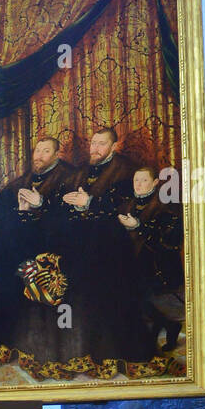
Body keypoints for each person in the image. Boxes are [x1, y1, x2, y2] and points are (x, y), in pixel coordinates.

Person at [56, 128, 153, 364]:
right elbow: (67, 193)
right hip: (82, 239)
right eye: (93, 143)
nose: (95, 149)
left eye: (101, 144)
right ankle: (79, 345)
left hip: (112, 241)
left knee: (107, 292)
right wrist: (72, 202)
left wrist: (88, 202)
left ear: (114, 147)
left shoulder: (127, 171)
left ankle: (108, 349)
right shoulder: (83, 170)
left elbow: (126, 204)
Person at [0, 134, 77, 361]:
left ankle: (42, 344)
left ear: (57, 154)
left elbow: (69, 222)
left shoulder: (69, 178)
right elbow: (1, 215)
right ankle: (9, 337)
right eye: (37, 151)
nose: (39, 156)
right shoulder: (24, 180)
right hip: (23, 247)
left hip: (56, 249)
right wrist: (21, 212)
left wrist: (41, 206)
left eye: (45, 151)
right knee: (4, 267)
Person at [119, 165, 185, 352]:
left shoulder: (166, 205)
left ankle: (156, 330)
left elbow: (169, 241)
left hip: (157, 264)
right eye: (136, 180)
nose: (139, 185)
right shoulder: (128, 203)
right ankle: (165, 326)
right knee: (127, 295)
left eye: (144, 180)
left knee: (133, 295)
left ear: (155, 182)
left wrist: (138, 226)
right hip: (131, 260)